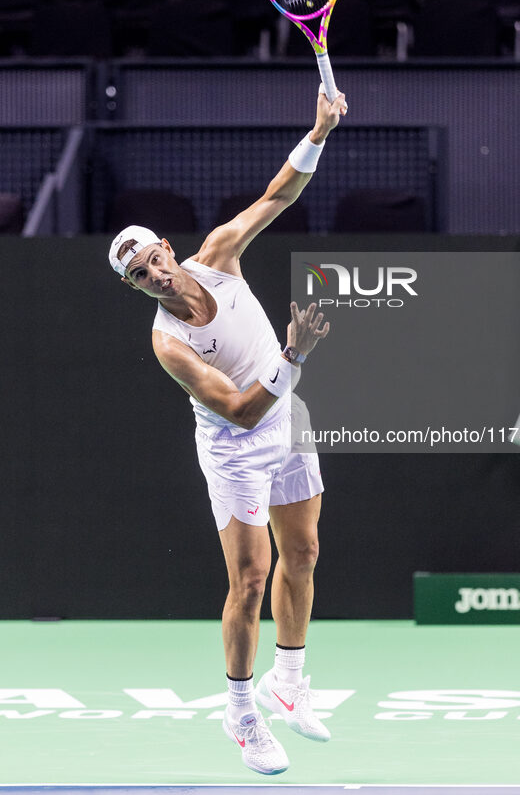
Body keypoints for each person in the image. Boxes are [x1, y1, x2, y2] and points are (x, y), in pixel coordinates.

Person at [108, 85, 347, 776]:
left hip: (289, 419)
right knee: (249, 580)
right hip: (237, 446)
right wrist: (293, 356)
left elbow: (279, 193)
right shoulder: (169, 343)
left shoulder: (219, 253)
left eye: (153, 258)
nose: (153, 273)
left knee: (301, 554)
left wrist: (319, 130)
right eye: (138, 274)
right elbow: (240, 409)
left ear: (168, 249)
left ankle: (289, 683)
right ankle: (241, 714)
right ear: (134, 288)